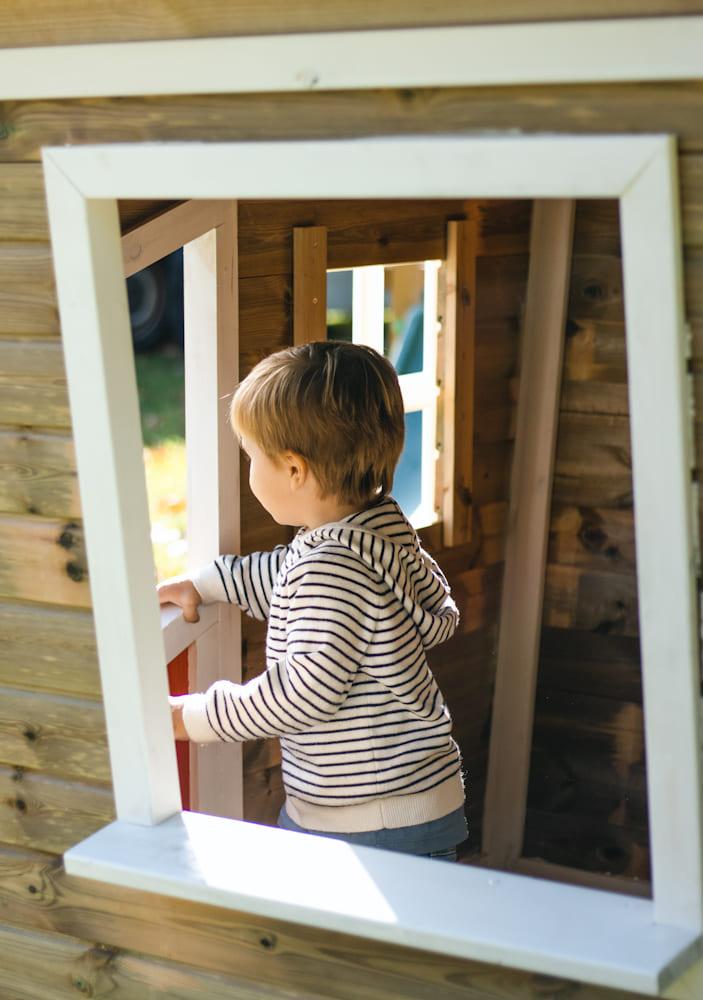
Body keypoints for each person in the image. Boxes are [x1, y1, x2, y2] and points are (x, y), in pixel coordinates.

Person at [159, 340, 467, 860]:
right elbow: (287, 574)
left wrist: (190, 717)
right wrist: (208, 582)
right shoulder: (376, 530)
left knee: (354, 944)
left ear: (295, 469)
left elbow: (302, 692)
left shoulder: (333, 567)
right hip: (403, 800)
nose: (250, 470)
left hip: (372, 821)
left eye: (253, 457)